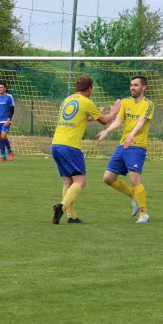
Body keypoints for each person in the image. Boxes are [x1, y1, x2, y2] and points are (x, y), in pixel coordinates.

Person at [51, 76, 121, 224]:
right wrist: (113, 112)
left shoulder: (67, 100)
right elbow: (104, 121)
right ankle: (61, 207)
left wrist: (94, 114)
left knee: (67, 181)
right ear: (90, 88)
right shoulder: (87, 102)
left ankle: (71, 216)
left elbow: (77, 118)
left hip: (56, 144)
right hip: (70, 146)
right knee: (80, 181)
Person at [97, 75, 154, 223]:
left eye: (135, 85)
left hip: (137, 146)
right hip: (123, 145)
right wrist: (106, 131)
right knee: (108, 178)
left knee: (135, 180)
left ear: (144, 87)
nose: (132, 88)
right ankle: (134, 196)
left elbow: (141, 122)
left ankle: (144, 215)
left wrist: (131, 136)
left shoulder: (148, 104)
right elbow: (118, 122)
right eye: (131, 85)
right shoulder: (125, 102)